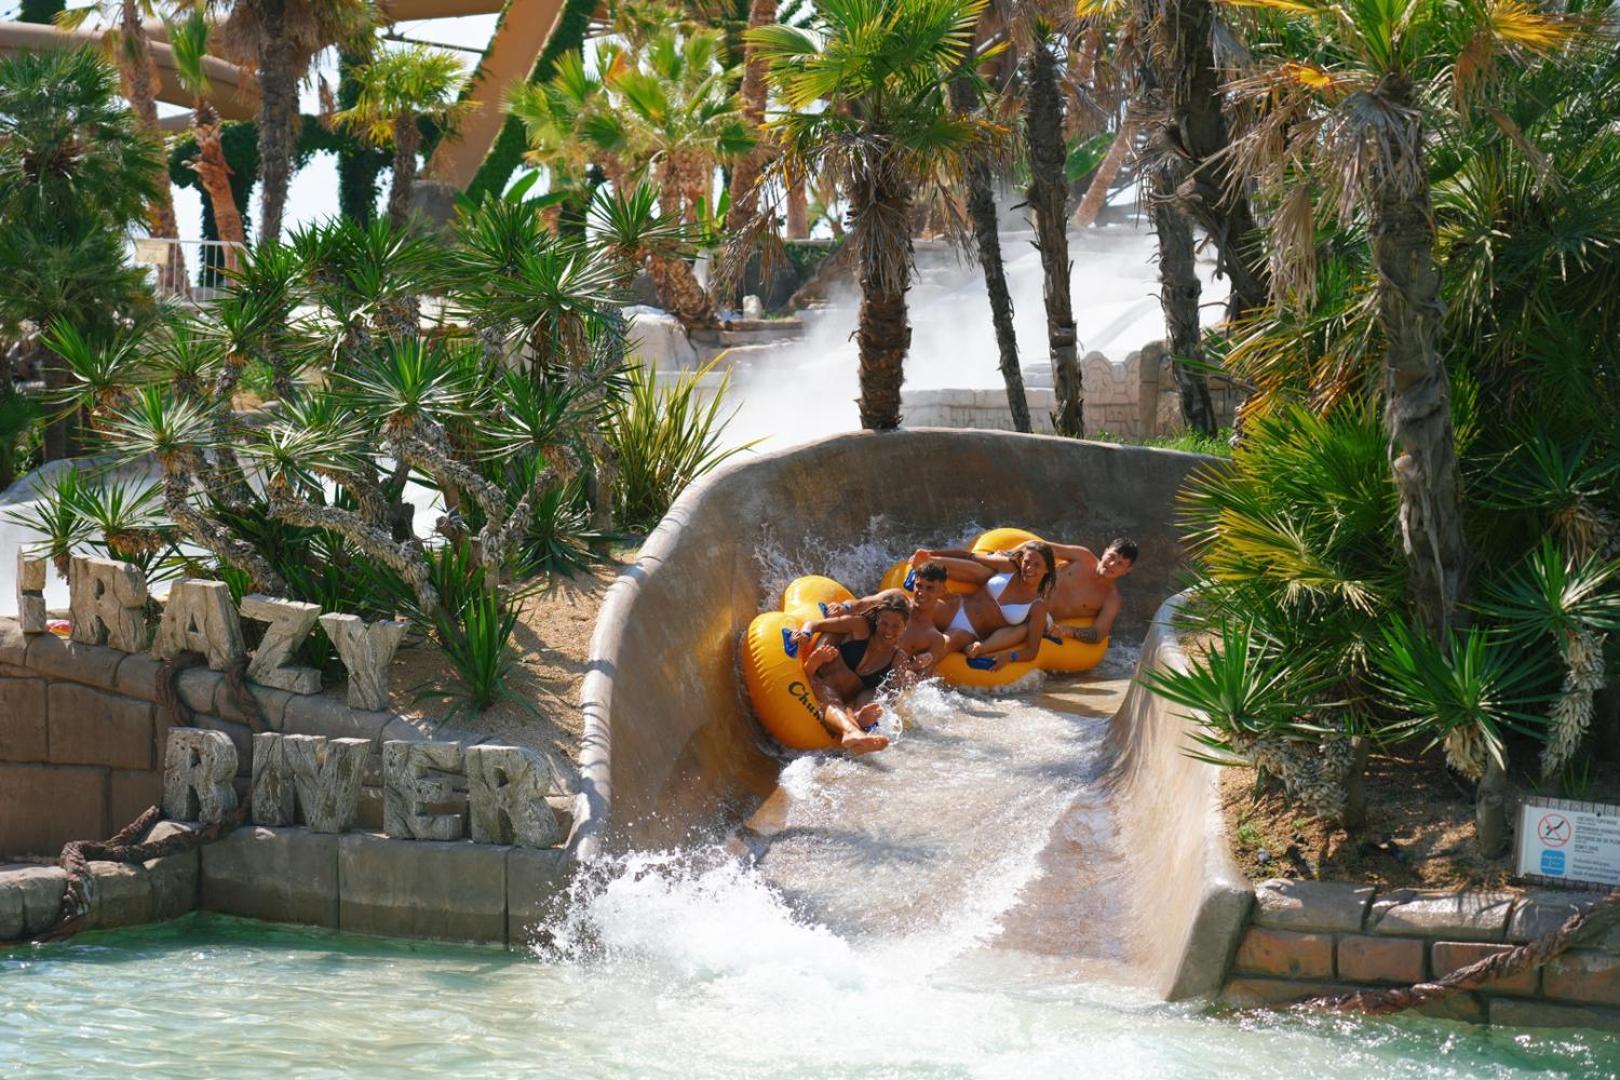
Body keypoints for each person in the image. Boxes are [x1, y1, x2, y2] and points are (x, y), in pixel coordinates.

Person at [932, 537, 1138, 662]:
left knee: (1029, 628)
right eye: (1111, 557)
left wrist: (1069, 631)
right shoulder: (1082, 557)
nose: (1111, 564)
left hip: (1040, 612)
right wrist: (1011, 555)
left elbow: (1098, 633)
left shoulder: (1111, 600)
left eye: (1119, 564)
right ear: (1105, 552)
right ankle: (932, 567)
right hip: (1025, 585)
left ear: (1128, 571)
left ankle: (981, 648)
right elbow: (1039, 547)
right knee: (988, 571)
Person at [789, 595, 911, 754]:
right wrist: (805, 634)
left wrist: (878, 708)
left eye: (895, 626)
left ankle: (858, 722)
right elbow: (815, 624)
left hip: (851, 699)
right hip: (825, 682)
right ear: (877, 620)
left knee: (872, 693)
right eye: (884, 623)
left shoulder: (898, 657)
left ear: (905, 627)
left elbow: (894, 693)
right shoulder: (859, 628)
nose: (888, 631)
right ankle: (852, 731)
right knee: (832, 697)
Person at [908, 540, 1057, 666]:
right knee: (911, 613)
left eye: (1037, 565)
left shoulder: (1037, 606)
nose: (1029, 568)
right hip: (956, 606)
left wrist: (1008, 657)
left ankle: (911, 672)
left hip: (970, 633)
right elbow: (969, 557)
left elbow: (1032, 651)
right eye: (1027, 562)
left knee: (945, 644)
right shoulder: (1009, 567)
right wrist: (931, 553)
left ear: (1047, 570)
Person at [826, 561, 958, 676]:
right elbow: (862, 604)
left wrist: (916, 666)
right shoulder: (896, 599)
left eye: (930, 588)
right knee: (835, 627)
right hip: (854, 655)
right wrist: (844, 607)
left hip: (874, 679)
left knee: (909, 677)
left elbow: (922, 678)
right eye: (919, 585)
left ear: (942, 591)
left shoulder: (934, 639)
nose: (922, 593)